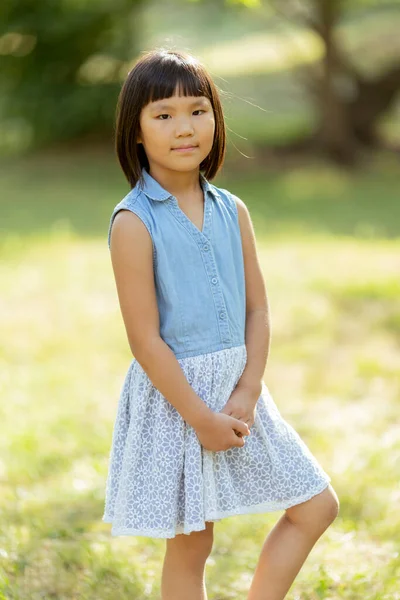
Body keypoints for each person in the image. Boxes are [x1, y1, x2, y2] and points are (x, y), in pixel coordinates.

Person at [102, 47, 339, 600]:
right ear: (136, 132)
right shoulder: (134, 223)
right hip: (178, 401)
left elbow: (257, 308)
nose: (184, 127)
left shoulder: (233, 210)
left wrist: (249, 389)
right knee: (192, 543)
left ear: (215, 117)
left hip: (241, 395)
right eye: (163, 115)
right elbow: (144, 340)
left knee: (315, 506)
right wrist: (200, 417)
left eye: (197, 110)